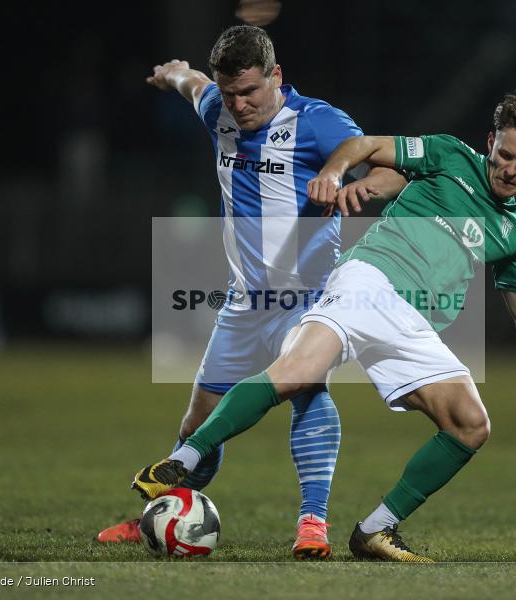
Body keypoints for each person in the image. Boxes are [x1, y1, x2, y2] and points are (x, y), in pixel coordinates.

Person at [131, 91, 516, 562]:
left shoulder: (513, 229)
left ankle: (376, 528)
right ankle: (180, 460)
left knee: (470, 424)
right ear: (492, 142)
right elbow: (367, 145)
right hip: (368, 280)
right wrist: (336, 172)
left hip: (414, 323)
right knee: (295, 373)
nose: (509, 170)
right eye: (504, 155)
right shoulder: (449, 155)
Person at [96, 25, 405, 560]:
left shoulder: (318, 122)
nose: (238, 105)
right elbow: (192, 85)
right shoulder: (217, 104)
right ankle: (166, 513)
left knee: (306, 390)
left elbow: (396, 169)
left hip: (310, 297)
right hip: (245, 301)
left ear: (276, 76)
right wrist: (173, 74)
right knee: (201, 420)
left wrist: (352, 185)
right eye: (230, 92)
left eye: (250, 93)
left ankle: (313, 523)